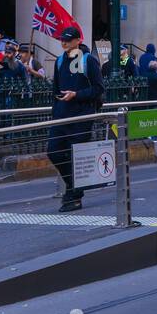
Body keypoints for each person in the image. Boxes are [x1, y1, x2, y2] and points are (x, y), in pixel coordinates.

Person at [47, 26, 105, 213]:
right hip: (61, 116)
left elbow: (98, 89)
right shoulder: (60, 61)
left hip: (81, 116)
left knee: (75, 156)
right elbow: (55, 89)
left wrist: (76, 95)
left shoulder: (89, 61)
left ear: (77, 40)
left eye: (67, 40)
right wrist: (56, 109)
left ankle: (73, 194)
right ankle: (74, 187)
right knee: (54, 152)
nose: (63, 43)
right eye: (62, 40)